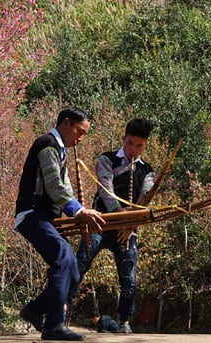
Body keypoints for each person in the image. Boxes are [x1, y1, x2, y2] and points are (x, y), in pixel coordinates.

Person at [15, 107, 105, 341]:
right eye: (79, 131)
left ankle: (34, 310)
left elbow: (64, 189)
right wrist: (80, 212)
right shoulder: (47, 145)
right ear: (65, 123)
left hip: (48, 218)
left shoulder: (60, 150)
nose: (80, 138)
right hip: (32, 214)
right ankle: (53, 325)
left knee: (73, 272)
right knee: (63, 256)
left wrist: (79, 211)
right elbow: (55, 186)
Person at [74, 117, 156, 335]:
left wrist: (130, 226)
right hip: (99, 223)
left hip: (127, 231)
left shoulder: (147, 170)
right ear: (124, 138)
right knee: (80, 263)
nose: (133, 149)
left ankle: (125, 320)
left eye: (139, 145)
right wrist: (120, 215)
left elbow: (144, 200)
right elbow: (105, 189)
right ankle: (59, 310)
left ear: (145, 145)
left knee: (128, 277)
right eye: (130, 143)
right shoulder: (106, 159)